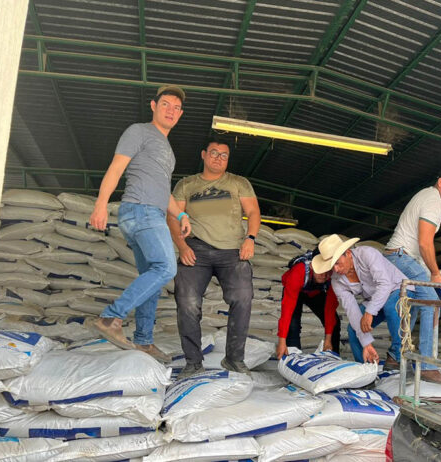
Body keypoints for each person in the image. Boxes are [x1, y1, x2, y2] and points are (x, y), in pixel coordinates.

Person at [89, 85, 190, 362]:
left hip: (150, 213)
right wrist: (100, 204)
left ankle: (144, 341)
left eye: (176, 108)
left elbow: (163, 191)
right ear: (153, 106)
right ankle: (111, 318)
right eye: (166, 104)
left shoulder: (167, 149)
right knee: (166, 267)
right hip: (141, 211)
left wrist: (181, 215)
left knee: (153, 277)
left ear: (181, 114)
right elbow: (116, 168)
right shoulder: (139, 131)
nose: (171, 110)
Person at [169, 138, 261, 379]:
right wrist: (182, 247)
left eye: (223, 155)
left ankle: (234, 359)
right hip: (195, 249)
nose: (218, 158)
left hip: (232, 251)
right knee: (187, 302)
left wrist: (250, 238)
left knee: (243, 297)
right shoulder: (186, 184)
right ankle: (193, 363)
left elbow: (253, 212)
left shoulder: (239, 183)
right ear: (203, 154)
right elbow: (172, 217)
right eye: (214, 153)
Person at [313, 234, 441, 383]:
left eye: (337, 263)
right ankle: (365, 374)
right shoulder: (337, 281)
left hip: (398, 289)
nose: (336, 269)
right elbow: (352, 310)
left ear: (348, 253)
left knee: (391, 307)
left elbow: (385, 284)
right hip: (373, 299)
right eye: (332, 266)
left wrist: (370, 312)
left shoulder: (367, 254)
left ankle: (401, 358)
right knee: (353, 330)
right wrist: (366, 344)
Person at [383, 165, 441, 383]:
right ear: (440, 182)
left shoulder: (426, 195)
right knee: (431, 301)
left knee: (412, 304)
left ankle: (395, 356)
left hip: (396, 256)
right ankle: (428, 366)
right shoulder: (433, 201)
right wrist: (435, 273)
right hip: (401, 256)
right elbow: (424, 242)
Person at [275, 249, 340, 359]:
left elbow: (330, 308)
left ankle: (333, 355)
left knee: (335, 321)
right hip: (295, 290)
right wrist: (282, 341)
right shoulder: (298, 271)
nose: (324, 275)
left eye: (327, 271)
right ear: (311, 266)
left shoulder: (332, 275)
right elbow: (287, 310)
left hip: (315, 292)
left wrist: (328, 340)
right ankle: (292, 357)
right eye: (320, 270)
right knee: (293, 325)